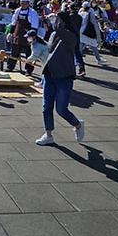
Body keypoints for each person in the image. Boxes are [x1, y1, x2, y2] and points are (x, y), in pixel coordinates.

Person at [35, 11, 85, 146]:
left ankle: (78, 124)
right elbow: (49, 49)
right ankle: (48, 134)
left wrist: (55, 22)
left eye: (58, 20)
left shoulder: (71, 36)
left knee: (61, 109)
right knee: (46, 107)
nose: (55, 22)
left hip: (64, 76)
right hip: (49, 74)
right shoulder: (54, 33)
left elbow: (61, 32)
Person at [7, 0, 39, 72]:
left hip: (28, 36)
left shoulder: (32, 13)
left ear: (28, 3)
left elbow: (34, 27)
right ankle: (10, 67)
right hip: (17, 35)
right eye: (21, 3)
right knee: (14, 52)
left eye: (24, 3)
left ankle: (29, 70)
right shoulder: (17, 11)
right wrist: (10, 33)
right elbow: (13, 23)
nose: (22, 4)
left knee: (29, 54)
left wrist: (32, 38)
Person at [79, 1, 106, 66]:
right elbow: (94, 24)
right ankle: (99, 60)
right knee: (94, 46)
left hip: (81, 32)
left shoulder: (81, 12)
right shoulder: (90, 13)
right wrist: (98, 35)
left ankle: (78, 59)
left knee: (81, 46)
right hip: (89, 33)